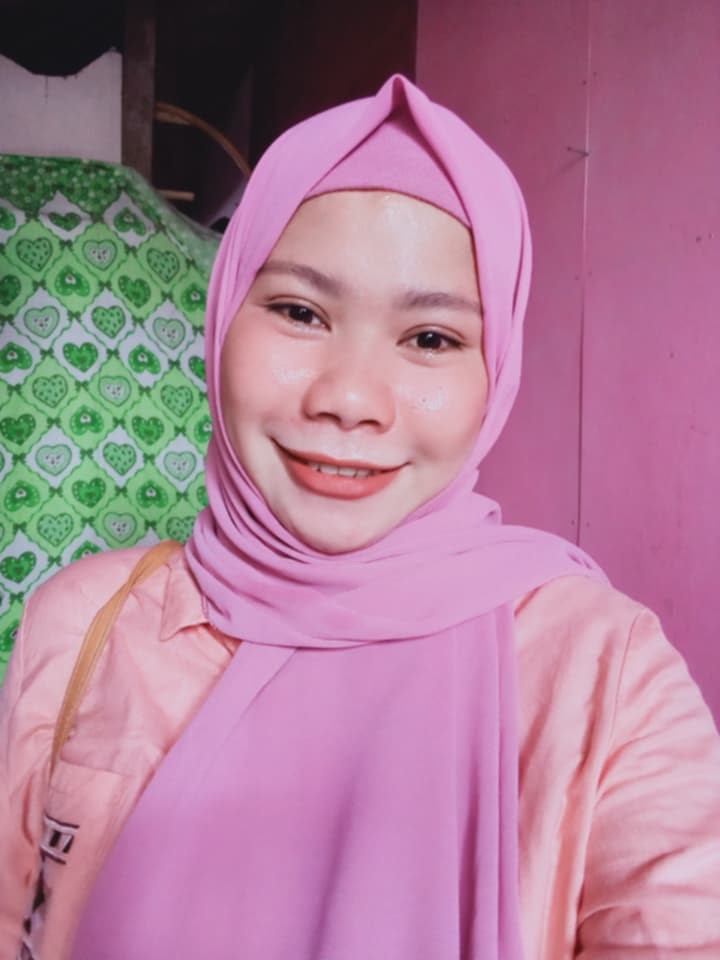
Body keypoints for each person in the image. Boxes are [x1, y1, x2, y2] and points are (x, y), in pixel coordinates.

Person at [1, 74, 719, 960]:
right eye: (299, 311)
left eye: (431, 338)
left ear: (497, 370)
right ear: (222, 317)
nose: (348, 399)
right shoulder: (87, 623)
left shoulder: (601, 671)